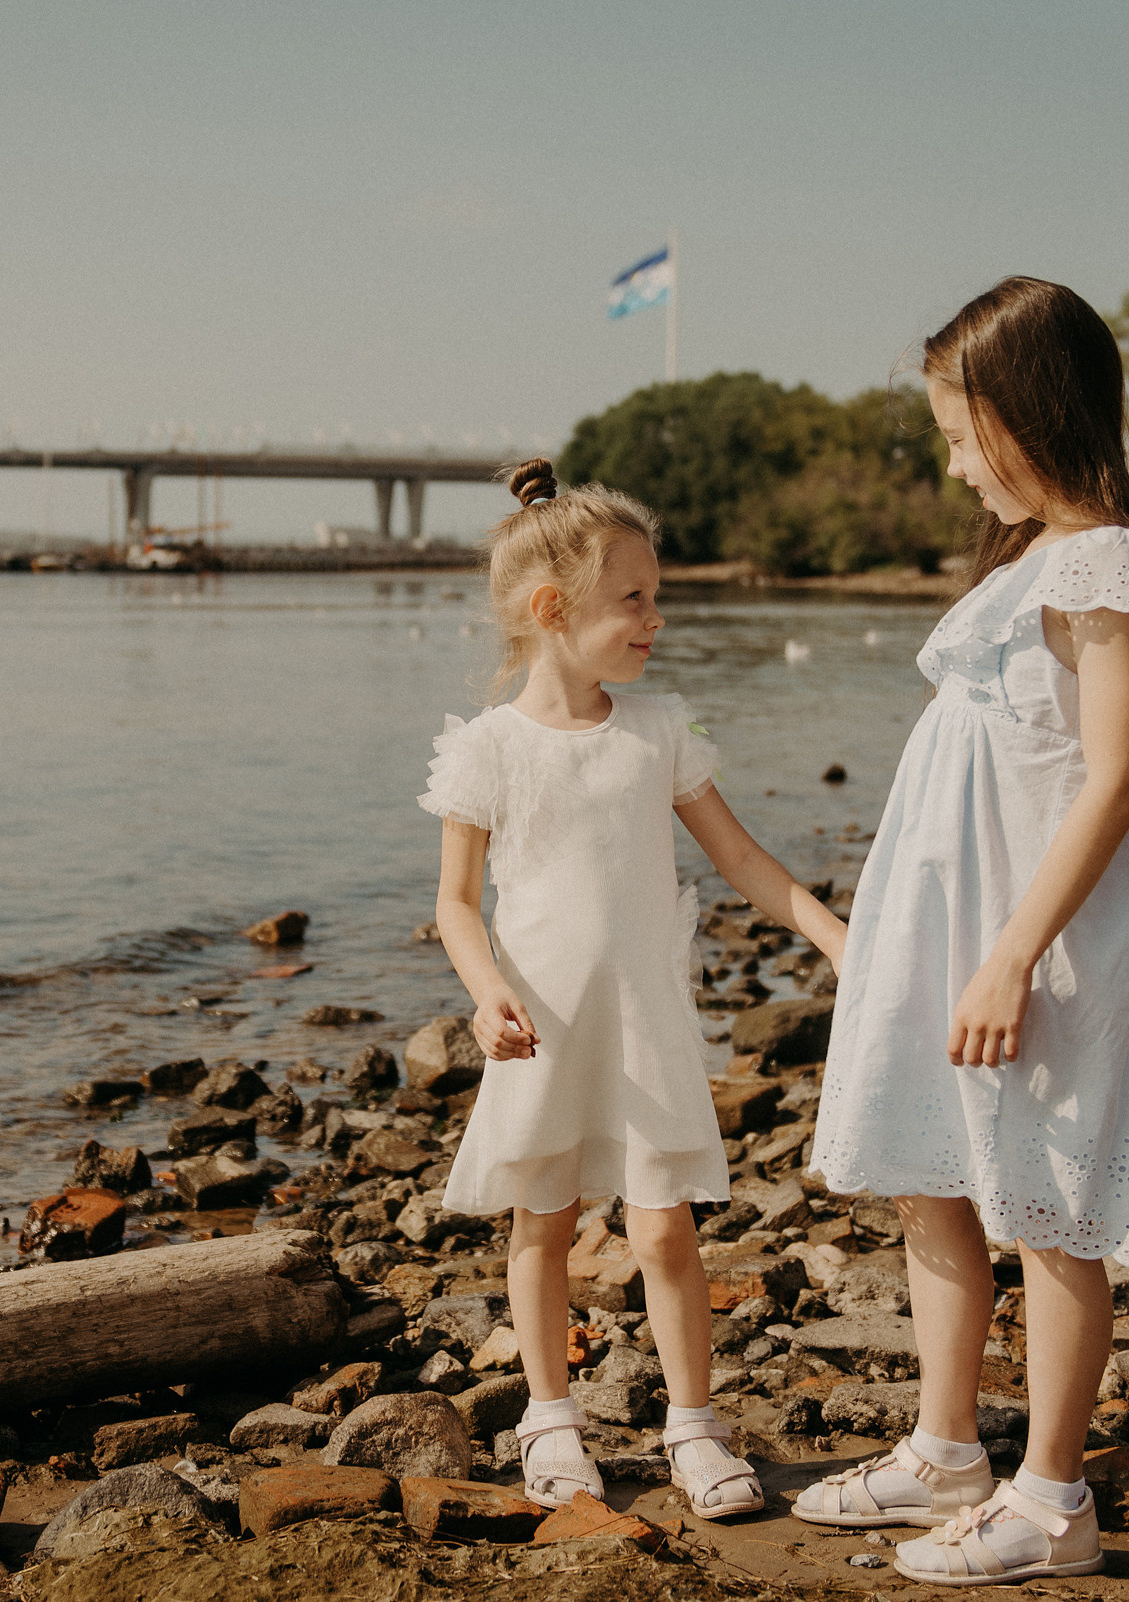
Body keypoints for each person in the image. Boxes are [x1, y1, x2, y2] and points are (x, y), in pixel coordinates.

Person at [792, 277, 1129, 1584]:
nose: (955, 465)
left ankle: (1051, 1498)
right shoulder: (1034, 558)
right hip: (961, 915)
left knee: (1051, 1196)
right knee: (934, 1167)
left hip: (1044, 930)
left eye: (960, 434)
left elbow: (1113, 777)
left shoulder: (1107, 561)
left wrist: (1014, 952)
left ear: (1031, 412)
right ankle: (945, 1449)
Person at [419, 458, 850, 1521]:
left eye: (657, 596)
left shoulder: (660, 728)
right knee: (543, 1223)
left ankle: (694, 1426)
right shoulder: (488, 749)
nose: (658, 619)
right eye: (636, 599)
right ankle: (550, 1418)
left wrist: (837, 936)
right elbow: (457, 904)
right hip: (544, 1027)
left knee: (663, 1231)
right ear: (552, 611)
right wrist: (484, 992)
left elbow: (741, 861)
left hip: (647, 1025)